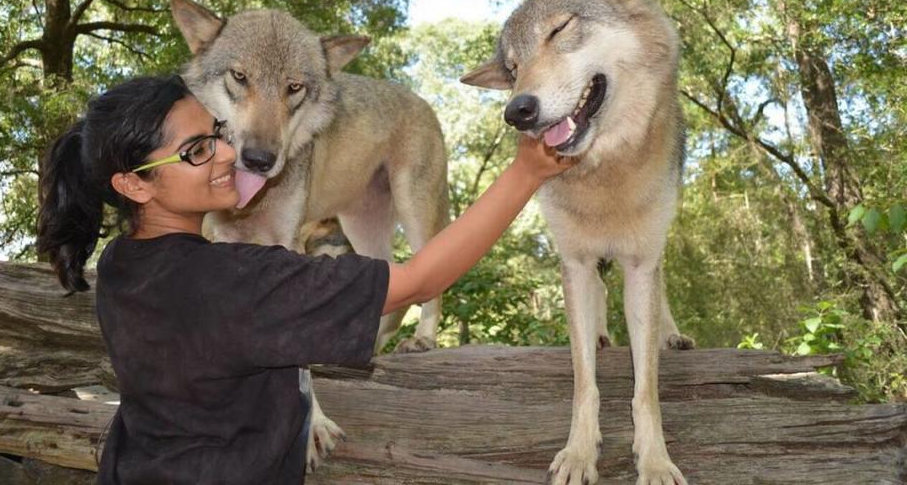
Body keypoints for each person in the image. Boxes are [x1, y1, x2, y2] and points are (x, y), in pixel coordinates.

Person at [37, 74, 575, 485]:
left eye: (216, 133)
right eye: (196, 151)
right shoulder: (235, 283)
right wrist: (525, 173)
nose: (227, 152)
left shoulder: (122, 263)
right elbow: (416, 282)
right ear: (133, 185)